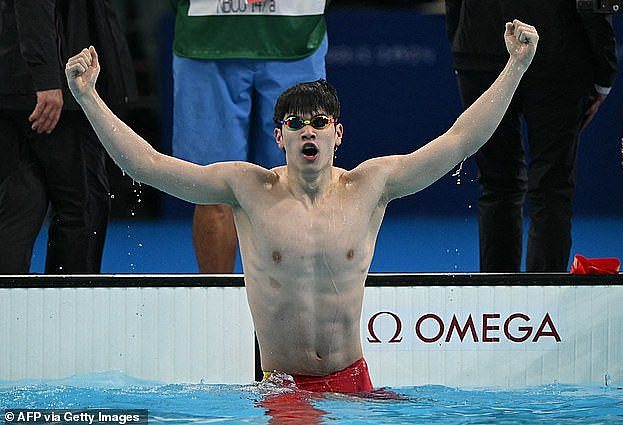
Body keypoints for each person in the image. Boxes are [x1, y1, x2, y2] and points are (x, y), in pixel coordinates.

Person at [65, 20, 538, 393]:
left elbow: (458, 141)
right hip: (285, 389)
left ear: (338, 133)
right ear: (280, 137)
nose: (307, 130)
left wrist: (516, 65)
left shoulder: (369, 185)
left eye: (318, 122)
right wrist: (87, 96)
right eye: (295, 123)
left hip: (356, 382)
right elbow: (148, 165)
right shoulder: (248, 189)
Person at [445, 0, 617, 272]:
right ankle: (543, 300)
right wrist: (604, 71)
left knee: (497, 182)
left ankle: (497, 300)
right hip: (558, 53)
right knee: (550, 186)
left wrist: (461, 42)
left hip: (481, 49)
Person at [171, 0, 330, 272]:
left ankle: (293, 309)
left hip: (295, 30)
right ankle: (215, 305)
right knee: (213, 187)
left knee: (298, 184)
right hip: (207, 30)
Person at [0, 0, 137, 274]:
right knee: (83, 205)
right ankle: (70, 307)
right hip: (56, 87)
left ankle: (7, 307)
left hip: (19, 79)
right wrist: (46, 77)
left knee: (21, 201)